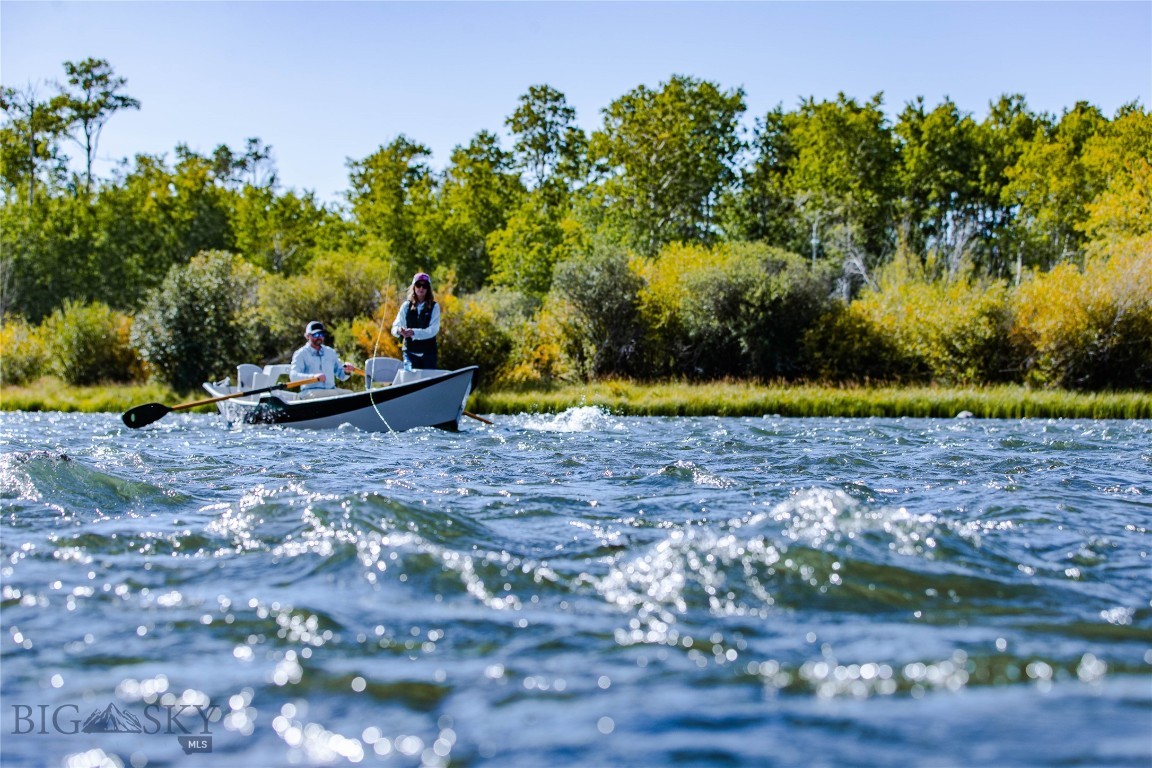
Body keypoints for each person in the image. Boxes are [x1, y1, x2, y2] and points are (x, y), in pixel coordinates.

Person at [391, 272, 440, 370]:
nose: (421, 288)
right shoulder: (405, 306)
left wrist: (414, 332)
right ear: (414, 287)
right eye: (418, 285)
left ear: (428, 288)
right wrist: (399, 331)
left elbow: (433, 330)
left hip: (429, 355)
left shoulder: (435, 307)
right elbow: (394, 328)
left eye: (424, 285)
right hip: (409, 353)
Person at [290, 321, 354, 391]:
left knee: (352, 395)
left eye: (321, 334)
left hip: (331, 390)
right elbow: (293, 376)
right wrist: (313, 377)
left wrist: (346, 371)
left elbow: (342, 376)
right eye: (315, 335)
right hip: (311, 392)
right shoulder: (301, 354)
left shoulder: (330, 352)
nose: (319, 337)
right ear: (307, 336)